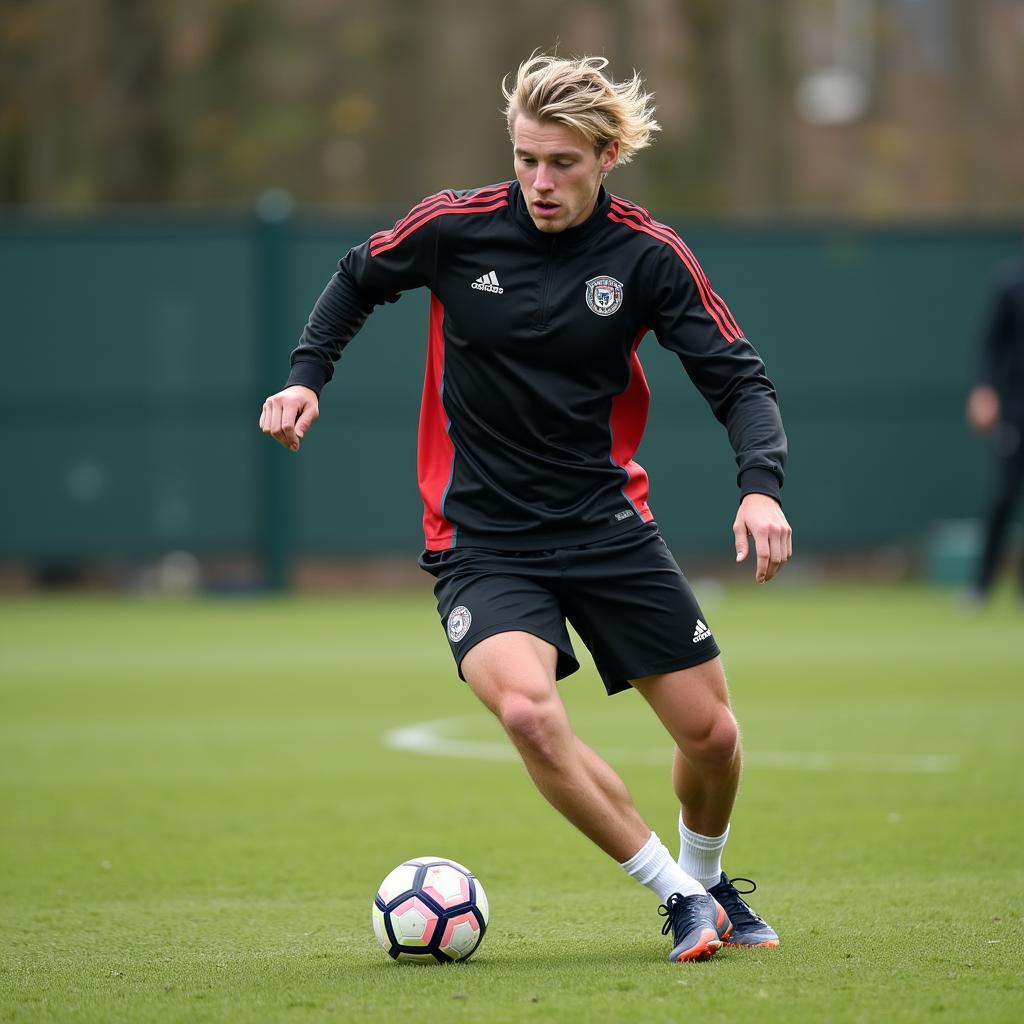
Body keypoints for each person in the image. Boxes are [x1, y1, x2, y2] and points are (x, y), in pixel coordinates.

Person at [260, 54, 792, 963]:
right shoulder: (454, 228)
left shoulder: (649, 256)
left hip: (604, 523)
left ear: (608, 155)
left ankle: (708, 877)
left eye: (564, 164)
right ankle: (676, 899)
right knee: (530, 715)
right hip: (482, 537)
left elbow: (738, 378)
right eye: (526, 160)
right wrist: (306, 380)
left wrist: (760, 485)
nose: (540, 183)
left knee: (713, 737)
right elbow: (355, 278)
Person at [966, 251, 1024, 601]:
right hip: (1018, 411)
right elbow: (991, 345)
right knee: (1004, 497)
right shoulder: (1012, 283)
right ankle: (981, 585)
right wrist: (984, 390)